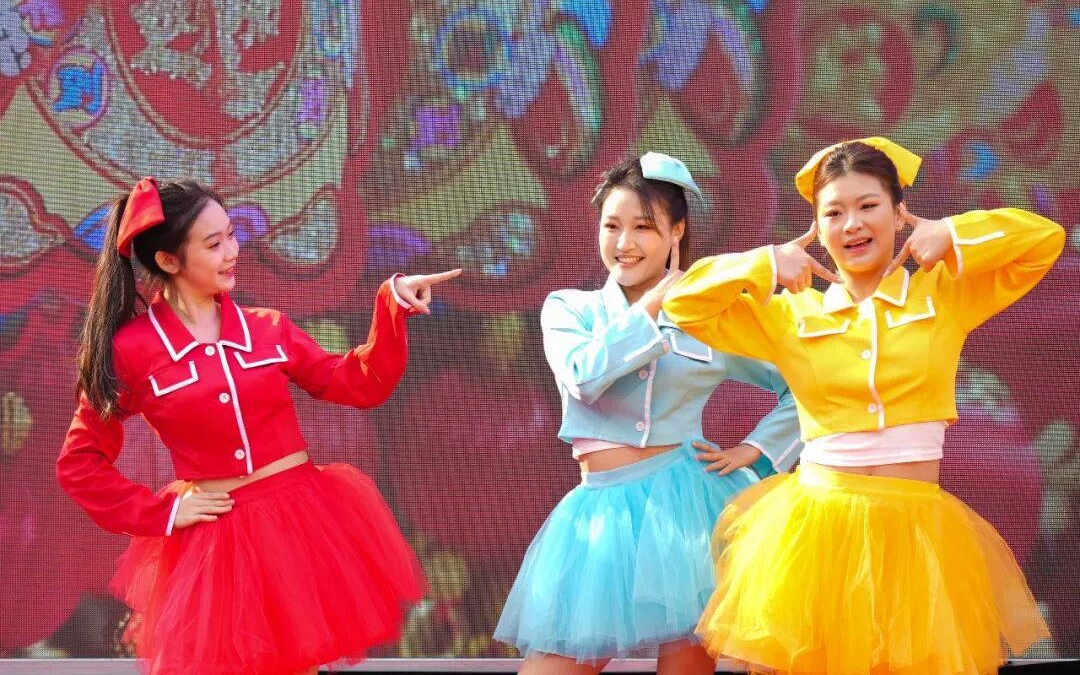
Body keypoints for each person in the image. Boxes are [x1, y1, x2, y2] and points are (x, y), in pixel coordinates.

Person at [664, 137, 1061, 674]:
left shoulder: (943, 295)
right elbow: (681, 304)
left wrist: (953, 233)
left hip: (917, 536)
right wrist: (765, 262)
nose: (851, 224)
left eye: (868, 205)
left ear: (899, 214)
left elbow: (1043, 241)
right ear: (816, 228)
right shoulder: (791, 314)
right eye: (834, 213)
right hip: (816, 534)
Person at [56, 178, 459, 675]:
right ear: (168, 261)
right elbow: (80, 465)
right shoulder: (132, 351)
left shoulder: (267, 328)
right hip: (219, 547)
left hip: (300, 527)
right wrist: (165, 511)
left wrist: (391, 305)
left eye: (232, 235)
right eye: (214, 243)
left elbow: (357, 384)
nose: (232, 251)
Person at [494, 153, 802, 675]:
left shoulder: (713, 319)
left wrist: (757, 450)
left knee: (688, 662)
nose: (624, 242)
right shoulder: (570, 308)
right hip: (600, 515)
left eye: (643, 227)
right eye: (611, 226)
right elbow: (582, 376)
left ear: (677, 232)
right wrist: (652, 308)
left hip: (692, 511)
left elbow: (804, 384)